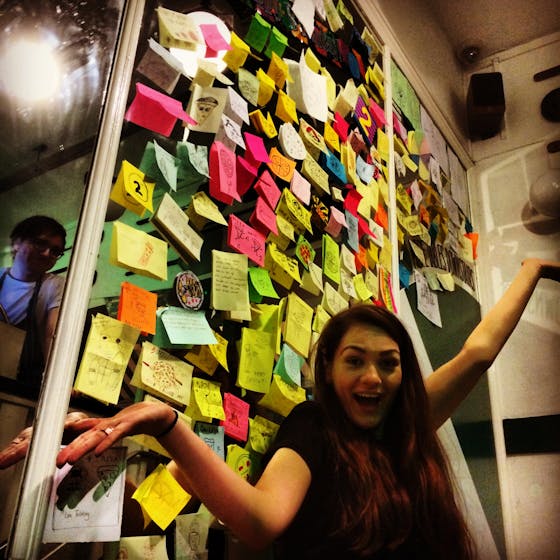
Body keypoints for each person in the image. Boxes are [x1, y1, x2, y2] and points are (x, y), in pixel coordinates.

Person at [13, 258, 560, 557]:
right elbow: (260, 521)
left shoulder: (405, 425)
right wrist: (168, 424)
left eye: (389, 363)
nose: (373, 378)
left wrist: (532, 268)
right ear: (328, 372)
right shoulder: (314, 426)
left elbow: (478, 353)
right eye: (354, 361)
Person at [0, 215, 66, 386]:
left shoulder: (53, 285)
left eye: (55, 251)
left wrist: (57, 379)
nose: (47, 253)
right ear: (16, 243)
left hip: (21, 385)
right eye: (40, 244)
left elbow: (51, 333)